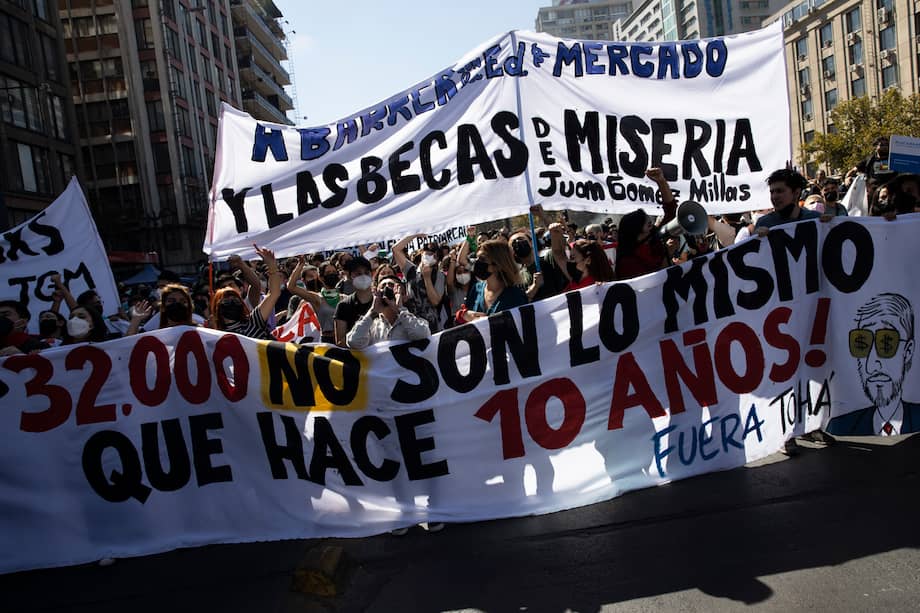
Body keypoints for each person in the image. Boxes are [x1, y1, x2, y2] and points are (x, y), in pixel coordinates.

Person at [827, 293, 919, 436]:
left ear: (908, 351)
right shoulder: (841, 426)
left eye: (887, 344)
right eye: (861, 344)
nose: (872, 365)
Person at [614, 168, 679, 280]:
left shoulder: (654, 238)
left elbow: (671, 211)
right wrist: (667, 255)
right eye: (647, 223)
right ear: (636, 230)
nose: (651, 224)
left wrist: (661, 181)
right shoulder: (626, 261)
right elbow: (648, 285)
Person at [211, 246, 282, 340]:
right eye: (226, 299)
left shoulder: (254, 322)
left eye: (235, 298)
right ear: (217, 306)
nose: (231, 301)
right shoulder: (214, 337)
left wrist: (272, 267)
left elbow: (274, 293)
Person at [459, 239, 528, 322]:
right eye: (477, 258)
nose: (477, 262)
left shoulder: (515, 296)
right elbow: (463, 321)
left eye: (482, 259)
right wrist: (464, 315)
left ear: (497, 265)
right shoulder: (476, 289)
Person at [392, 234, 448, 333]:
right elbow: (396, 249)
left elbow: (435, 301)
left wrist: (427, 278)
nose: (431, 257)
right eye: (429, 253)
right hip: (411, 322)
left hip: (431, 325)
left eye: (435, 256)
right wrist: (415, 234)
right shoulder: (410, 269)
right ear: (422, 252)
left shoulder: (439, 275)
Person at [754, 168, 822, 230]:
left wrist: (830, 225)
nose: (774, 197)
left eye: (779, 191)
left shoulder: (816, 219)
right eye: (772, 192)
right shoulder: (764, 224)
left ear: (796, 193)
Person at [333, 256, 375, 346]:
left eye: (366, 272)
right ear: (351, 276)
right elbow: (340, 341)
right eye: (358, 274)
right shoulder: (343, 306)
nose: (363, 276)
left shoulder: (381, 302)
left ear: (372, 275)